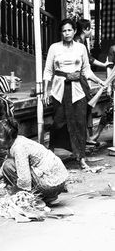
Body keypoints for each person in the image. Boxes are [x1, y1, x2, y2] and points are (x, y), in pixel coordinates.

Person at [42, 18, 103, 169]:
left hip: (78, 90)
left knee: (80, 123)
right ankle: (51, 153)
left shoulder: (81, 48)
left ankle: (80, 157)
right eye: (64, 30)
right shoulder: (54, 48)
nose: (67, 33)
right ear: (61, 33)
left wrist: (99, 81)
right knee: (58, 121)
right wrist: (45, 91)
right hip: (59, 90)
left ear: (75, 31)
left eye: (69, 30)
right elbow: (48, 71)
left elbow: (86, 70)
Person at [0, 118, 68, 204]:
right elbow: (2, 169)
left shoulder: (19, 148)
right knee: (8, 164)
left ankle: (30, 197)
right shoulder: (17, 140)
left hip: (50, 184)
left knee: (8, 165)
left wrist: (13, 193)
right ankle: (48, 196)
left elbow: (24, 180)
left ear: (9, 137)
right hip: (58, 181)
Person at [74, 19, 111, 140]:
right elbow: (88, 60)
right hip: (78, 78)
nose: (91, 32)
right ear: (85, 29)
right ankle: (86, 137)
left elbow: (89, 59)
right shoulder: (78, 42)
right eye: (90, 28)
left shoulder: (81, 41)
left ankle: (88, 136)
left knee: (88, 106)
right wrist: (103, 66)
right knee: (86, 106)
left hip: (83, 77)